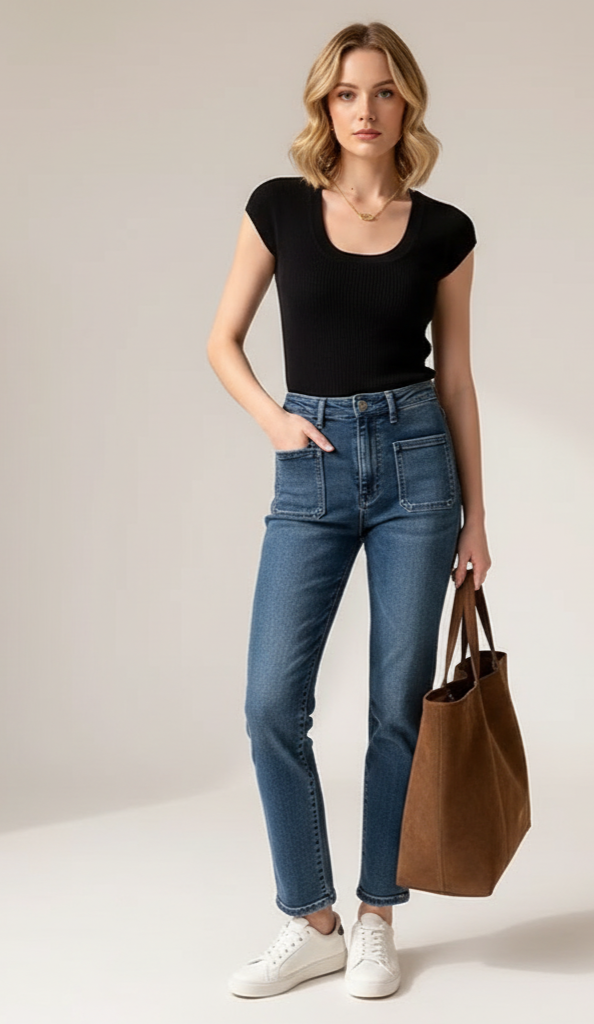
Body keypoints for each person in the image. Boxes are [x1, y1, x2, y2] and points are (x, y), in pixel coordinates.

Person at [206, 21, 491, 1000]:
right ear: (323, 106)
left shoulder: (445, 228)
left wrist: (477, 521)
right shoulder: (280, 207)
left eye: (381, 92)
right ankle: (312, 917)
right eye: (344, 94)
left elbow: (455, 379)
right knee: (268, 704)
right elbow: (222, 340)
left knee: (395, 707)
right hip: (312, 464)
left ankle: (376, 913)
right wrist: (274, 421)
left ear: (407, 103)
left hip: (418, 465)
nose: (363, 111)